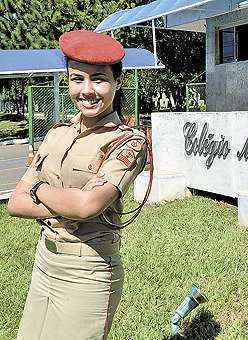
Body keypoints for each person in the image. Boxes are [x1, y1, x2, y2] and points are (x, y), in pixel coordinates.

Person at [7, 30, 148, 339]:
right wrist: (61, 200)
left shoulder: (128, 142)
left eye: (98, 79)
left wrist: (38, 190)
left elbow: (87, 206)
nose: (86, 90)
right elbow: (15, 203)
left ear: (117, 82)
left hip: (88, 271)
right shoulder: (57, 134)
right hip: (45, 261)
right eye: (76, 79)